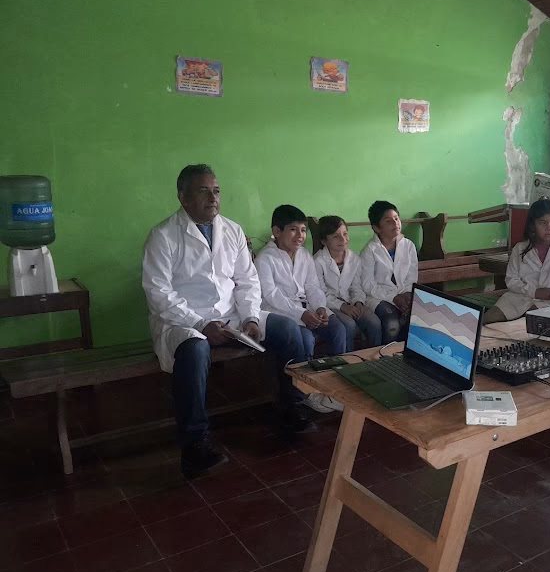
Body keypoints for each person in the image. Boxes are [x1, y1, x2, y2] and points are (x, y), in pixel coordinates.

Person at [142, 164, 313, 477]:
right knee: (195, 350)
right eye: (203, 191)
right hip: (182, 321)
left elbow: (247, 280)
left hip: (231, 314)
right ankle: (194, 443)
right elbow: (158, 293)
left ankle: (292, 406)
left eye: (216, 191)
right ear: (183, 197)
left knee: (287, 329)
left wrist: (251, 317)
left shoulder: (232, 230)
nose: (213, 198)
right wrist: (200, 324)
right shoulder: (163, 236)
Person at [255, 205, 346, 413]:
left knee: (338, 329)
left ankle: (332, 388)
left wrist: (320, 308)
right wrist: (301, 314)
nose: (300, 236)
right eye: (293, 230)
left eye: (303, 230)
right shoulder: (265, 258)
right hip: (281, 313)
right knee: (305, 338)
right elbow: (271, 295)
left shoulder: (304, 255)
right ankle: (306, 393)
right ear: (277, 231)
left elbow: (312, 287)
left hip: (307, 310)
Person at [313, 216, 382, 350]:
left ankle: (376, 358)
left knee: (374, 323)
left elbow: (356, 286)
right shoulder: (318, 261)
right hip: (330, 305)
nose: (343, 239)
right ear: (324, 241)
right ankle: (348, 359)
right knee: (349, 325)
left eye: (345, 234)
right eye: (335, 236)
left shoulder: (354, 258)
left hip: (350, 301)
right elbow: (320, 292)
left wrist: (358, 302)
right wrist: (342, 306)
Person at [360, 200, 418, 344]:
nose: (395, 223)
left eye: (396, 218)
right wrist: (393, 297)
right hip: (378, 297)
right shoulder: (369, 251)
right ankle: (386, 355)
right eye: (388, 221)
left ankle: (406, 354)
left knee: (416, 318)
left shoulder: (408, 246)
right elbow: (368, 284)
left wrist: (407, 293)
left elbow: (411, 276)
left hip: (404, 294)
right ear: (376, 228)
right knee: (392, 323)